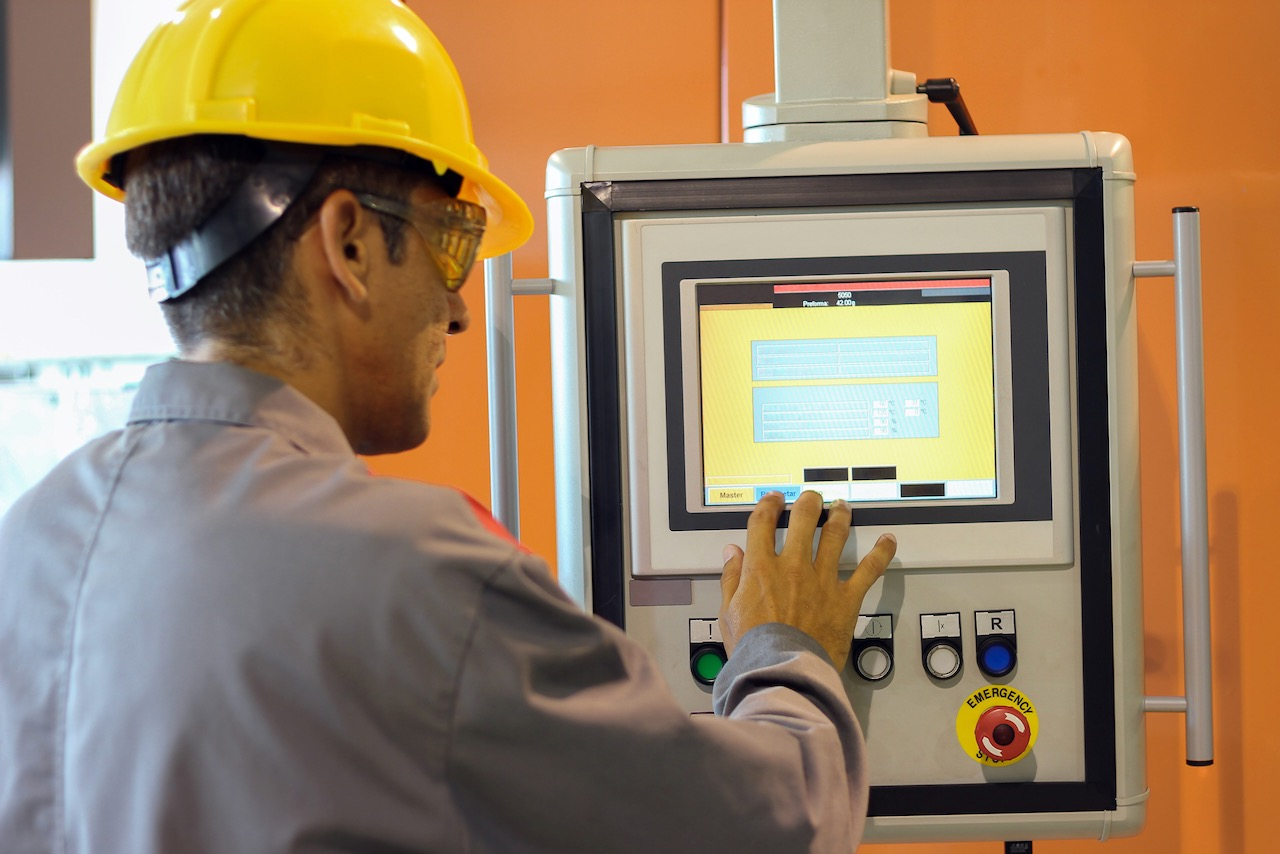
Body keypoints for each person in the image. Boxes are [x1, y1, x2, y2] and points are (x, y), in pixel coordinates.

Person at [0, 0, 897, 851]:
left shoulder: (31, 543)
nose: (461, 309)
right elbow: (770, 829)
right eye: (451, 242)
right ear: (349, 243)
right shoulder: (418, 577)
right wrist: (788, 650)